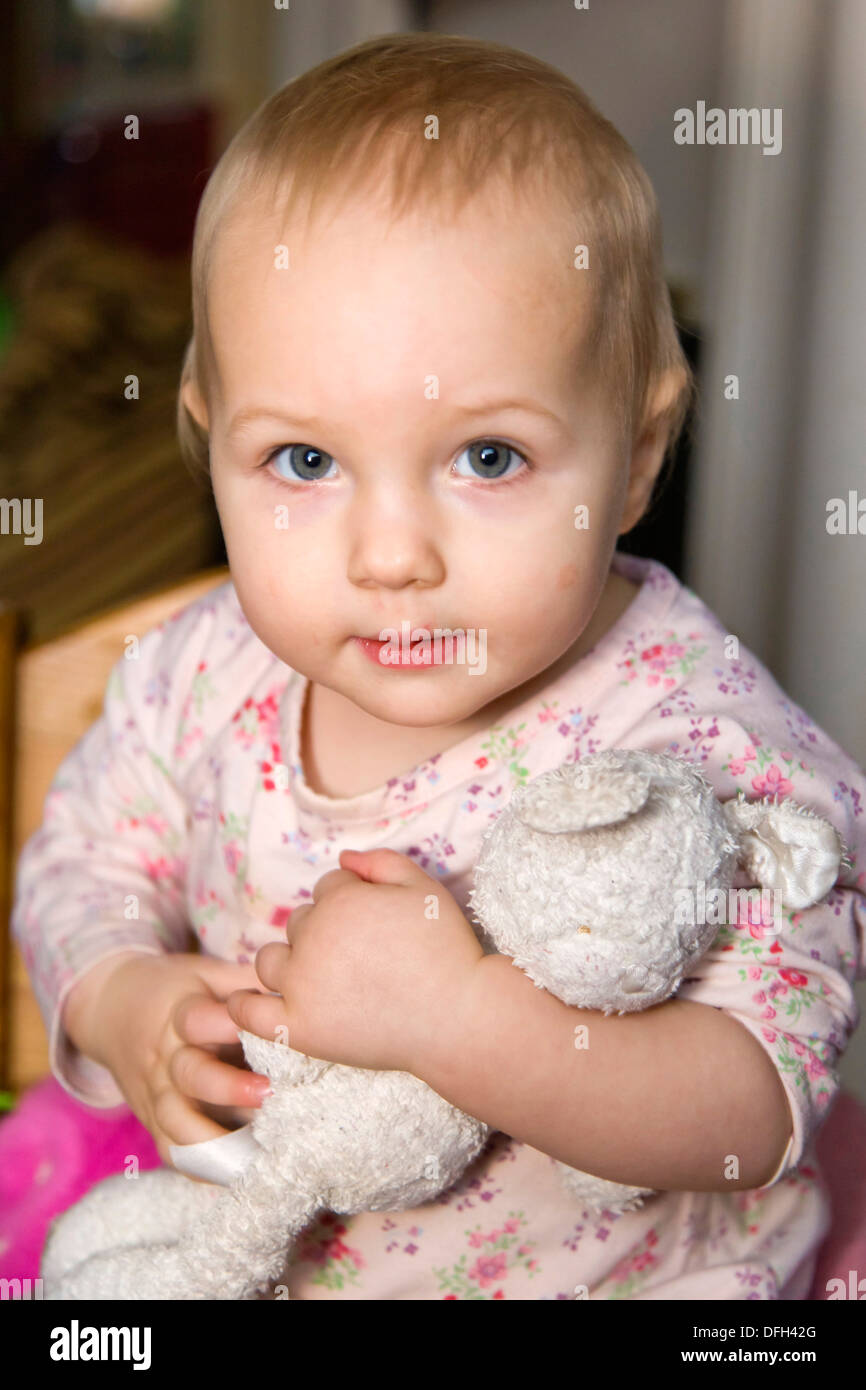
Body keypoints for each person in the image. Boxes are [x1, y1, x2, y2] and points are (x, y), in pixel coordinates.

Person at [6, 32, 865, 1300]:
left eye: (487, 459)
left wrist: (468, 1026)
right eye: (303, 462)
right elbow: (82, 853)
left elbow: (753, 1113)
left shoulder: (699, 743)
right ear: (212, 444)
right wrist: (123, 995)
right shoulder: (196, 674)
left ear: (633, 456)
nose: (391, 553)